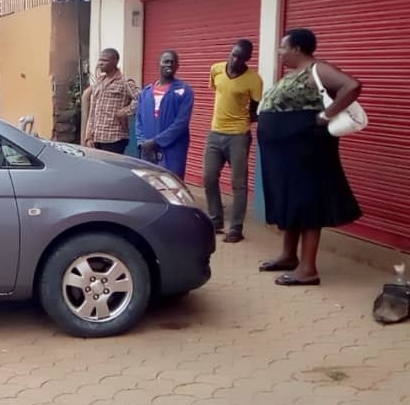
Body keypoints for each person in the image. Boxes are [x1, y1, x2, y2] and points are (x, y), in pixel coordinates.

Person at [256, 28, 362, 287]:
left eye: (283, 47)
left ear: (297, 49)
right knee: (292, 201)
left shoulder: (318, 69)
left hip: (306, 149)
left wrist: (326, 115)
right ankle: (288, 256)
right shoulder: (293, 74)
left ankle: (308, 269)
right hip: (285, 152)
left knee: (308, 202)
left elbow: (352, 85)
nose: (279, 52)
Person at [203, 39, 264, 243]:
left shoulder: (254, 80)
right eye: (233, 55)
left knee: (239, 183)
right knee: (209, 178)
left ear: (248, 59)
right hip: (215, 133)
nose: (234, 60)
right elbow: (219, 92)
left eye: (240, 58)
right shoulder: (216, 69)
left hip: (238, 136)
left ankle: (236, 228)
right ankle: (216, 220)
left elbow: (254, 110)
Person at [135, 50, 194, 178]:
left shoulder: (184, 91)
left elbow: (181, 123)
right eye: (166, 61)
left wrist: (156, 141)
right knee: (148, 183)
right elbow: (139, 120)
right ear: (159, 64)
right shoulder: (146, 92)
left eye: (173, 62)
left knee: (170, 183)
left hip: (172, 149)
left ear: (177, 66)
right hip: (147, 149)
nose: (169, 65)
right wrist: (142, 142)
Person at [84, 48, 139, 154]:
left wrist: (125, 111)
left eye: (104, 60)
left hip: (114, 138)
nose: (100, 63)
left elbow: (140, 100)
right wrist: (89, 136)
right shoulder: (99, 82)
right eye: (99, 60)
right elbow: (93, 111)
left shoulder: (125, 81)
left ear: (115, 62)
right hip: (97, 138)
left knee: (110, 164)